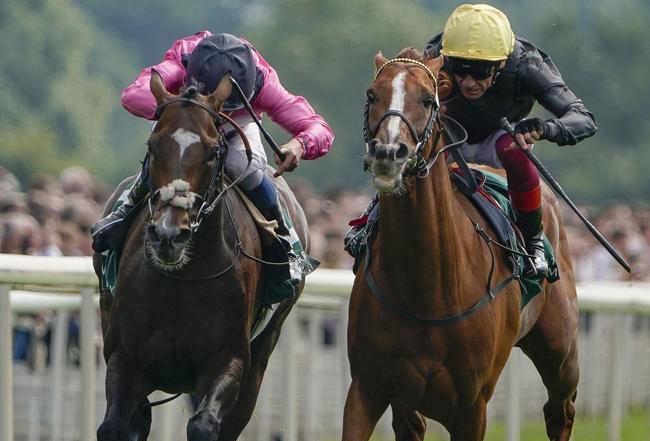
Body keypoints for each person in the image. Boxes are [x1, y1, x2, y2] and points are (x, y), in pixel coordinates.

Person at [347, 4, 597, 278]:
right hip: (449, 138)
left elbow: (583, 119)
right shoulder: (438, 56)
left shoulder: (527, 64)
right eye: (460, 71)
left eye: (479, 73)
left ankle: (533, 240)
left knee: (512, 149)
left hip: (501, 140)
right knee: (411, 142)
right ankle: (373, 217)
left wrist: (545, 127)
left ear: (502, 63)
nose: (467, 82)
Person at [91, 32, 334, 299]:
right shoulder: (183, 57)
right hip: (186, 118)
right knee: (167, 154)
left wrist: (299, 145)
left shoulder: (264, 81)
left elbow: (317, 127)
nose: (221, 110)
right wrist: (175, 107)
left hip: (236, 127)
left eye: (226, 104)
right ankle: (124, 211)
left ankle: (287, 241)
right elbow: (134, 95)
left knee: (246, 168)